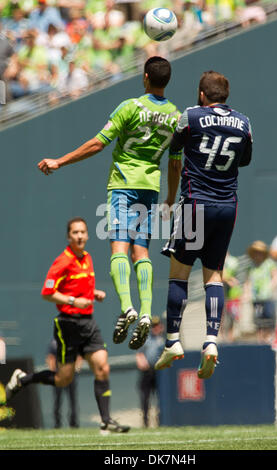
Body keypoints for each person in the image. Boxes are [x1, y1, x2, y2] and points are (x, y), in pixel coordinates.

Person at [37, 56, 182, 351]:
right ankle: (145, 311)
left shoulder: (130, 107)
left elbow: (98, 143)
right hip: (150, 188)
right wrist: (170, 197)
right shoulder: (176, 117)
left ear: (144, 77)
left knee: (119, 247)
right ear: (167, 81)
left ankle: (127, 307)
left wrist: (60, 161)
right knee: (141, 251)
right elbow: (175, 164)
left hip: (123, 185)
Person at [154, 70, 253, 379]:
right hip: (227, 206)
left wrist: (170, 196)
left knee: (179, 273)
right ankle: (211, 341)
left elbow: (174, 149)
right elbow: (245, 160)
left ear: (201, 94)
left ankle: (172, 340)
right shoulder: (244, 123)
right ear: (226, 95)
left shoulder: (191, 116)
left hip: (196, 203)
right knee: (214, 277)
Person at [5, 217, 130, 434]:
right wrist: (73, 301)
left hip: (88, 322)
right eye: (75, 232)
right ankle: (23, 379)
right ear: (68, 236)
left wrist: (93, 294)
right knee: (64, 379)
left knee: (103, 367)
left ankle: (106, 421)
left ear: (88, 235)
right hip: (68, 324)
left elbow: (78, 288)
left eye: (83, 232)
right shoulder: (62, 261)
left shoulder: (88, 258)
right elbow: (47, 292)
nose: (80, 236)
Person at [245, 241, 277, 343]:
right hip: (256, 299)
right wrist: (247, 293)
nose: (257, 255)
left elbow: (276, 276)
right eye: (256, 252)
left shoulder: (269, 264)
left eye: (259, 252)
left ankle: (269, 337)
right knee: (258, 320)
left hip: (268, 297)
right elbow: (248, 282)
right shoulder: (251, 267)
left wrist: (270, 287)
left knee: (268, 318)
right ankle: (260, 339)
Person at [46, 337, 82, 428]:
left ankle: (73, 423)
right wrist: (54, 372)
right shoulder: (54, 342)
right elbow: (51, 358)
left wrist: (76, 369)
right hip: (59, 375)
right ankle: (57, 423)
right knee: (57, 400)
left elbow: (79, 356)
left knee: (73, 400)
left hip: (71, 375)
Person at [135, 316, 164, 427]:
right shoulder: (146, 339)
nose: (156, 328)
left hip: (160, 372)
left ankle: (161, 420)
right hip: (148, 371)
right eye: (153, 326)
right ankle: (145, 422)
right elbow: (139, 353)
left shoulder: (164, 339)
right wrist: (142, 362)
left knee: (161, 397)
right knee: (145, 398)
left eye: (157, 326)